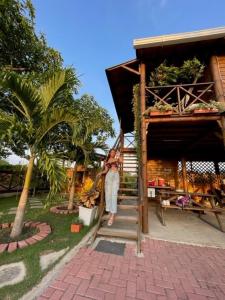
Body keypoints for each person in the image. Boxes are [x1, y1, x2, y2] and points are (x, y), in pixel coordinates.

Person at [100, 149, 122, 226]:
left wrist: (119, 155)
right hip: (109, 176)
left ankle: (112, 216)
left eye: (114, 152)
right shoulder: (107, 160)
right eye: (111, 152)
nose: (113, 153)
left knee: (114, 195)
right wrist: (100, 173)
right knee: (108, 195)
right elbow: (106, 171)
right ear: (109, 153)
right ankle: (109, 211)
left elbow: (121, 161)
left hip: (115, 176)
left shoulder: (117, 158)